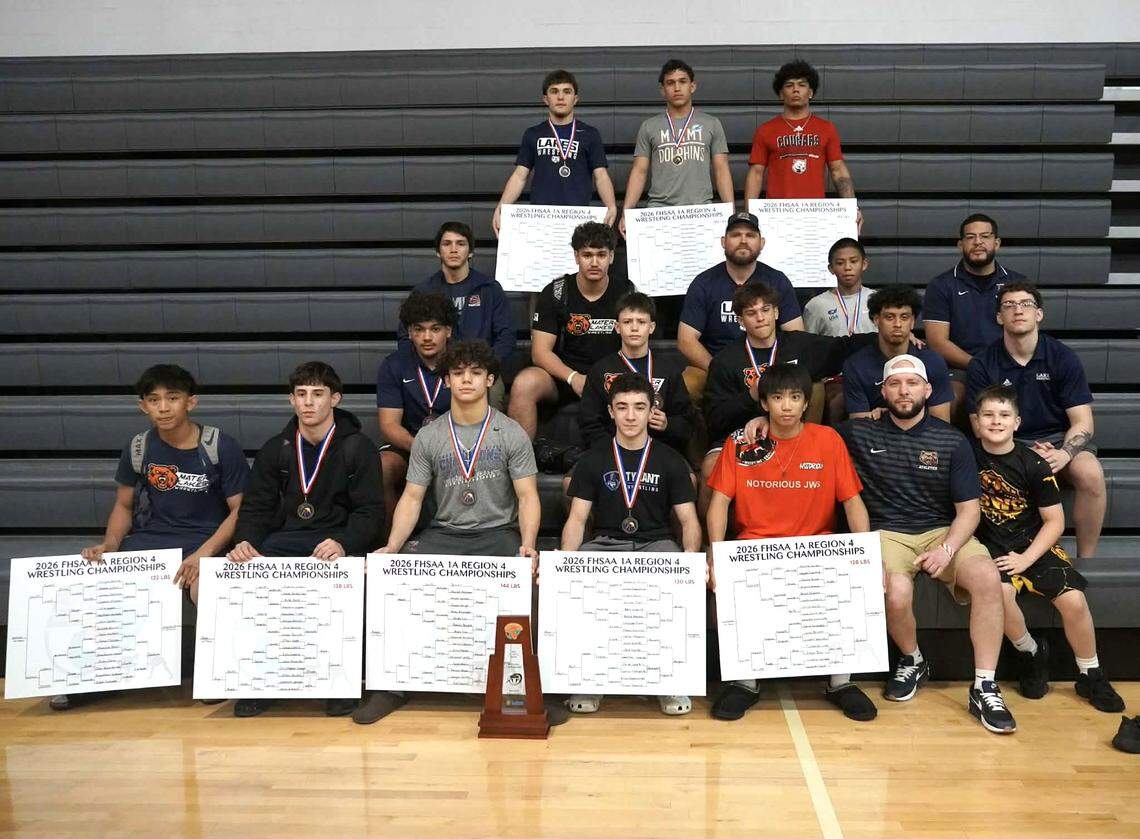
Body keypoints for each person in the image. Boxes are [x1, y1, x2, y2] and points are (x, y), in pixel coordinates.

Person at [358, 340, 542, 725]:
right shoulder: (429, 436)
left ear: (490, 379)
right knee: (391, 577)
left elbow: (527, 496)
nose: (467, 380)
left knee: (530, 585)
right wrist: (392, 547)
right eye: (458, 373)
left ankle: (531, 689)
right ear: (446, 381)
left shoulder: (510, 433)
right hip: (444, 534)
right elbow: (411, 497)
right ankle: (389, 685)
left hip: (497, 534)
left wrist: (527, 545)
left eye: (475, 373)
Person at [839, 355, 1016, 735]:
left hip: (942, 530)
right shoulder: (857, 434)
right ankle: (913, 659)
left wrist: (947, 550)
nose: (904, 391)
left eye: (912, 383)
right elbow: (800, 433)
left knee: (988, 579)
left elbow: (969, 511)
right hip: (886, 532)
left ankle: (984, 684)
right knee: (894, 592)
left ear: (928, 389)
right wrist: (757, 422)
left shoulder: (952, 440)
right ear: (883, 391)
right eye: (896, 384)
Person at [59, 365, 248, 712]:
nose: (163, 407)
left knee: (204, 586)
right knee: (91, 575)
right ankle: (86, 679)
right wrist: (111, 546)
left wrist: (203, 556)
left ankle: (215, 673)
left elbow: (240, 511)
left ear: (190, 402)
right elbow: (123, 504)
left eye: (172, 398)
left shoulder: (219, 445)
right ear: (142, 406)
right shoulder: (138, 447)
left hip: (205, 542)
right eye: (154, 400)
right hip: (151, 543)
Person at [706, 363, 876, 722]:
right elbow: (720, 501)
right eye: (778, 397)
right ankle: (743, 683)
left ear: (805, 404)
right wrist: (716, 552)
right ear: (764, 403)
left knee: (851, 573)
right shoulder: (741, 442)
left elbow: (852, 501)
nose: (786, 405)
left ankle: (841, 682)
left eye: (795, 397)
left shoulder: (828, 440)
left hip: (814, 547)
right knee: (730, 580)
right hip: (755, 545)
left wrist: (865, 554)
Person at [227, 361, 384, 719]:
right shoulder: (275, 449)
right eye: (301, 395)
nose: (309, 403)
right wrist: (246, 541)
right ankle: (260, 682)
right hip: (285, 542)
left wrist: (343, 542)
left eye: (317, 394)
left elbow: (371, 513)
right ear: (291, 401)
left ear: (335, 399)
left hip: (335, 543)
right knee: (248, 574)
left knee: (349, 580)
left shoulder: (357, 448)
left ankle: (339, 683)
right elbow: (255, 509)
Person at [970, 385, 1123, 712]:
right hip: (990, 548)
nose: (996, 422)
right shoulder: (966, 458)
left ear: (1017, 422)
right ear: (977, 422)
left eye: (1004, 415)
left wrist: (1027, 558)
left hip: (1033, 545)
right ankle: (1031, 652)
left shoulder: (1033, 463)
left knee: (1074, 600)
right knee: (999, 596)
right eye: (988, 415)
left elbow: (1054, 521)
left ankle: (1090, 673)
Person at [562, 373, 701, 716]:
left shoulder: (670, 460)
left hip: (656, 545)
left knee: (674, 584)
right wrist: (566, 564)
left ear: (651, 410)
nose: (630, 415)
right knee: (577, 582)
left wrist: (691, 562)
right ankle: (588, 678)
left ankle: (670, 680)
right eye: (622, 407)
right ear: (610, 412)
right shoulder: (593, 459)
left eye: (639, 407)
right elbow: (578, 519)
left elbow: (688, 521)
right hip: (606, 544)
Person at [966, 282, 1106, 559]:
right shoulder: (983, 363)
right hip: (1006, 440)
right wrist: (1025, 455)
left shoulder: (1062, 357)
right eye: (1009, 305)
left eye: (1026, 304)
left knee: (1091, 473)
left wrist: (1065, 454)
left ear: (1039, 314)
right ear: (999, 317)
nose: (1018, 310)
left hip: (1057, 440)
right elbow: (978, 424)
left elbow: (1083, 422)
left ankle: (1086, 559)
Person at [701, 283, 852, 514]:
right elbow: (714, 419)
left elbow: (847, 347)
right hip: (742, 437)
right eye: (751, 313)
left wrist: (891, 339)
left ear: (777, 313)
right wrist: (750, 397)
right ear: (741, 321)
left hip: (795, 434)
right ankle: (711, 542)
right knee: (711, 467)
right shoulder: (725, 361)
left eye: (765, 310)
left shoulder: (800, 345)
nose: (760, 318)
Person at [508, 221, 634, 439]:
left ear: (612, 257)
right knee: (524, 383)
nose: (594, 262)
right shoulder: (556, 291)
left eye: (601, 255)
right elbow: (540, 352)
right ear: (576, 257)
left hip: (612, 376)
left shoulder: (626, 291)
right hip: (563, 376)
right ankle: (521, 466)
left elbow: (636, 344)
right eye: (587, 255)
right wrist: (573, 377)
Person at [677, 211, 804, 405]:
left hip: (769, 363)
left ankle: (800, 436)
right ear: (723, 241)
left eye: (750, 236)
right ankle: (704, 436)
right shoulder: (704, 283)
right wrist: (720, 370)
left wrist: (776, 373)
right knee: (687, 384)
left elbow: (796, 334)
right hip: (715, 362)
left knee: (815, 386)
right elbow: (686, 340)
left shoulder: (777, 280)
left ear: (761, 243)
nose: (743, 241)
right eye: (736, 235)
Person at [923, 214, 1027, 418]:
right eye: (971, 237)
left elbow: (1026, 333)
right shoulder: (941, 285)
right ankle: (942, 450)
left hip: (1008, 364)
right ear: (960, 244)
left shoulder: (1017, 283)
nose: (978, 242)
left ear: (996, 243)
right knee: (947, 400)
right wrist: (978, 366)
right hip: (959, 368)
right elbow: (937, 342)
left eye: (985, 236)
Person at [492, 70, 617, 234]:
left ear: (575, 99)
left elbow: (601, 176)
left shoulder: (590, 134)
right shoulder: (533, 134)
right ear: (545, 99)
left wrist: (612, 206)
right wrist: (501, 206)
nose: (560, 97)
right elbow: (519, 176)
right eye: (554, 91)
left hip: (577, 218)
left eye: (567, 91)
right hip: (541, 218)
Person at [620, 59, 733, 236]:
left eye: (683, 81)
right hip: (659, 211)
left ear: (693, 86)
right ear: (662, 90)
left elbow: (721, 169)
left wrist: (730, 212)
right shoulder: (649, 126)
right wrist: (627, 211)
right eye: (670, 83)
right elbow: (639, 171)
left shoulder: (711, 123)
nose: (677, 88)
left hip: (700, 210)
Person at [744, 60, 860, 229]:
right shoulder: (765, 130)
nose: (796, 89)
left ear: (811, 92)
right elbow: (756, 174)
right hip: (777, 213)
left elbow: (838, 172)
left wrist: (852, 208)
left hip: (815, 212)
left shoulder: (826, 128)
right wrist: (748, 214)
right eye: (789, 85)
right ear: (781, 94)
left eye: (802, 85)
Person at [378, 292, 456, 536]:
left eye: (435, 329)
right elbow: (389, 425)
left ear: (449, 331)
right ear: (410, 333)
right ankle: (391, 545)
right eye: (419, 330)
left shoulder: (464, 363)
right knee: (383, 467)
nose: (427, 337)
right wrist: (421, 449)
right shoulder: (394, 364)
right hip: (409, 444)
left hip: (456, 443)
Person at [577, 291, 692, 453]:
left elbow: (687, 422)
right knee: (570, 480)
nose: (634, 328)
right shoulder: (600, 370)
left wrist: (668, 425)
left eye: (641, 322)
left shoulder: (669, 370)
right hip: (610, 450)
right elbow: (589, 422)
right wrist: (610, 449)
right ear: (617, 327)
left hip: (659, 451)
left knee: (690, 479)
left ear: (651, 327)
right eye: (627, 321)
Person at [398, 221, 515, 372]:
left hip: (481, 371)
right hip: (436, 371)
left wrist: (485, 367)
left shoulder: (489, 289)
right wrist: (427, 367)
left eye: (460, 244)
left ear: (470, 251)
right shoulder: (424, 291)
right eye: (447, 244)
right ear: (438, 251)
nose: (454, 249)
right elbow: (404, 336)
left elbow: (507, 336)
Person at [842, 285, 952, 422]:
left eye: (904, 317)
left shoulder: (932, 361)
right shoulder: (856, 365)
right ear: (876, 320)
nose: (898, 324)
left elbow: (941, 423)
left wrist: (894, 416)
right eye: (889, 317)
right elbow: (858, 427)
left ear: (912, 322)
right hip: (875, 439)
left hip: (924, 440)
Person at [803, 237, 876, 422]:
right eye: (840, 263)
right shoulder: (816, 305)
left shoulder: (879, 300)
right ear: (831, 268)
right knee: (838, 402)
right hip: (835, 378)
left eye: (854, 261)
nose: (847, 267)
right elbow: (809, 348)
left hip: (873, 372)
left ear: (864, 264)